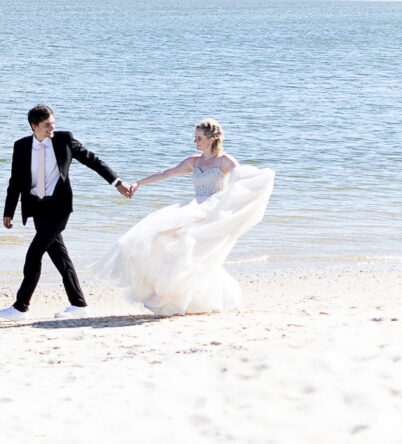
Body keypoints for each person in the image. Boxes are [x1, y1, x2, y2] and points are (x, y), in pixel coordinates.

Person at [100, 119, 275, 315]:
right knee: (160, 236)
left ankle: (168, 293)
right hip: (195, 206)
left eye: (199, 138)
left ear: (211, 139)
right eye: (195, 137)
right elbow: (167, 173)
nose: (195, 141)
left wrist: (236, 202)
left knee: (188, 250)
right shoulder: (195, 160)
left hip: (214, 210)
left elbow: (242, 181)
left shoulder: (224, 161)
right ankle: (165, 291)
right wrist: (138, 183)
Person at [0, 104, 121, 317]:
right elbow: (15, 181)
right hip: (37, 208)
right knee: (61, 259)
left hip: (59, 207)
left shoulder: (64, 140)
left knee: (34, 254)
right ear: (34, 126)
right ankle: (79, 305)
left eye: (53, 124)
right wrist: (9, 211)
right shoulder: (21, 146)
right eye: (46, 125)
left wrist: (116, 182)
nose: (51, 128)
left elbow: (92, 160)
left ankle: (20, 307)